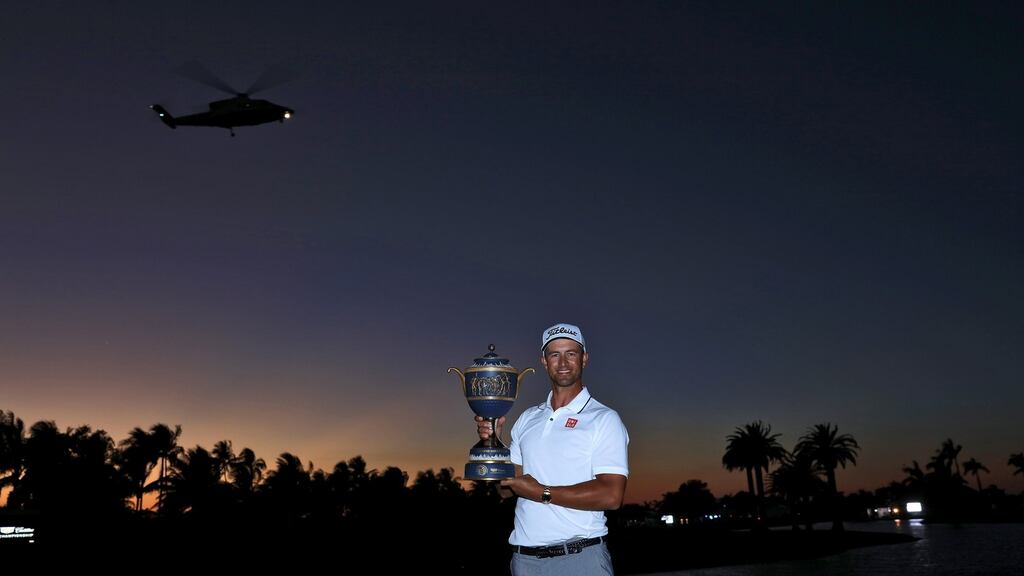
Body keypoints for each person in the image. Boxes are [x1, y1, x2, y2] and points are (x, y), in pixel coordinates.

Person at [476, 322, 629, 575]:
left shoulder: (604, 418)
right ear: (544, 362)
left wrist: (542, 493)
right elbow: (504, 490)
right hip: (525, 561)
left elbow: (611, 496)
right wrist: (493, 444)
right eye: (554, 354)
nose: (563, 362)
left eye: (571, 353)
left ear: (585, 358)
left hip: (580, 559)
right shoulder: (527, 418)